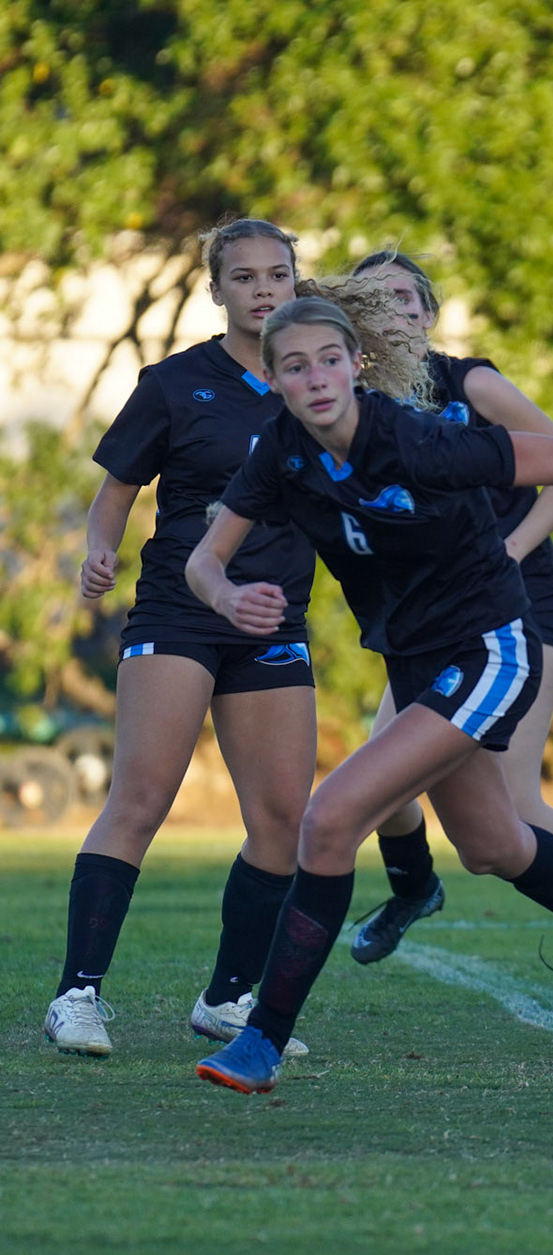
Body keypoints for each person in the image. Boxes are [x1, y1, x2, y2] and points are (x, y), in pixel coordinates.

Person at [185, 282, 553, 1094]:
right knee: (492, 845)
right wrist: (227, 597)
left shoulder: (417, 439)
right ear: (272, 380)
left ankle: (261, 1040)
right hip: (414, 662)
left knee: (329, 819)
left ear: (356, 365)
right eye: (295, 366)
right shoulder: (281, 453)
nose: (315, 377)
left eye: (329, 360)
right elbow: (205, 561)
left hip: (489, 647)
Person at [44, 218, 320, 1062]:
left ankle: (228, 1000)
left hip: (274, 620)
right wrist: (99, 549)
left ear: (297, 283)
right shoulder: (173, 383)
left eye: (278, 274)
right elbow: (116, 491)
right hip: (178, 611)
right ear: (216, 289)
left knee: (283, 820)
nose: (264, 289)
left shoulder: (320, 382)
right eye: (245, 277)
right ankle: (76, 995)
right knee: (141, 798)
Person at [342, 250, 553, 1005]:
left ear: (429, 313)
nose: (393, 312)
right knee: (383, 785)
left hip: (519, 604)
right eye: (372, 301)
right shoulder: (353, 407)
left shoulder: (472, 385)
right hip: (432, 623)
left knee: (515, 805)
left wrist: (510, 549)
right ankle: (414, 888)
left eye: (404, 298)